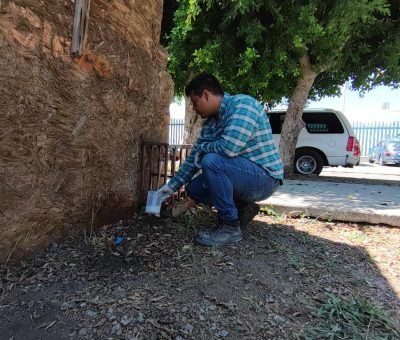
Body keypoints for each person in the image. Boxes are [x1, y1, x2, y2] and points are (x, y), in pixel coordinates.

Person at [158, 73, 283, 246]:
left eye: (195, 102)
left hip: (266, 178)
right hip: (244, 177)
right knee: (194, 188)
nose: (194, 109)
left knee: (212, 161)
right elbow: (194, 158)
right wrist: (169, 188)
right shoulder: (210, 124)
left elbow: (228, 148)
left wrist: (204, 149)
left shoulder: (243, 105)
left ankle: (230, 227)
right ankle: (243, 207)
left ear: (206, 94)